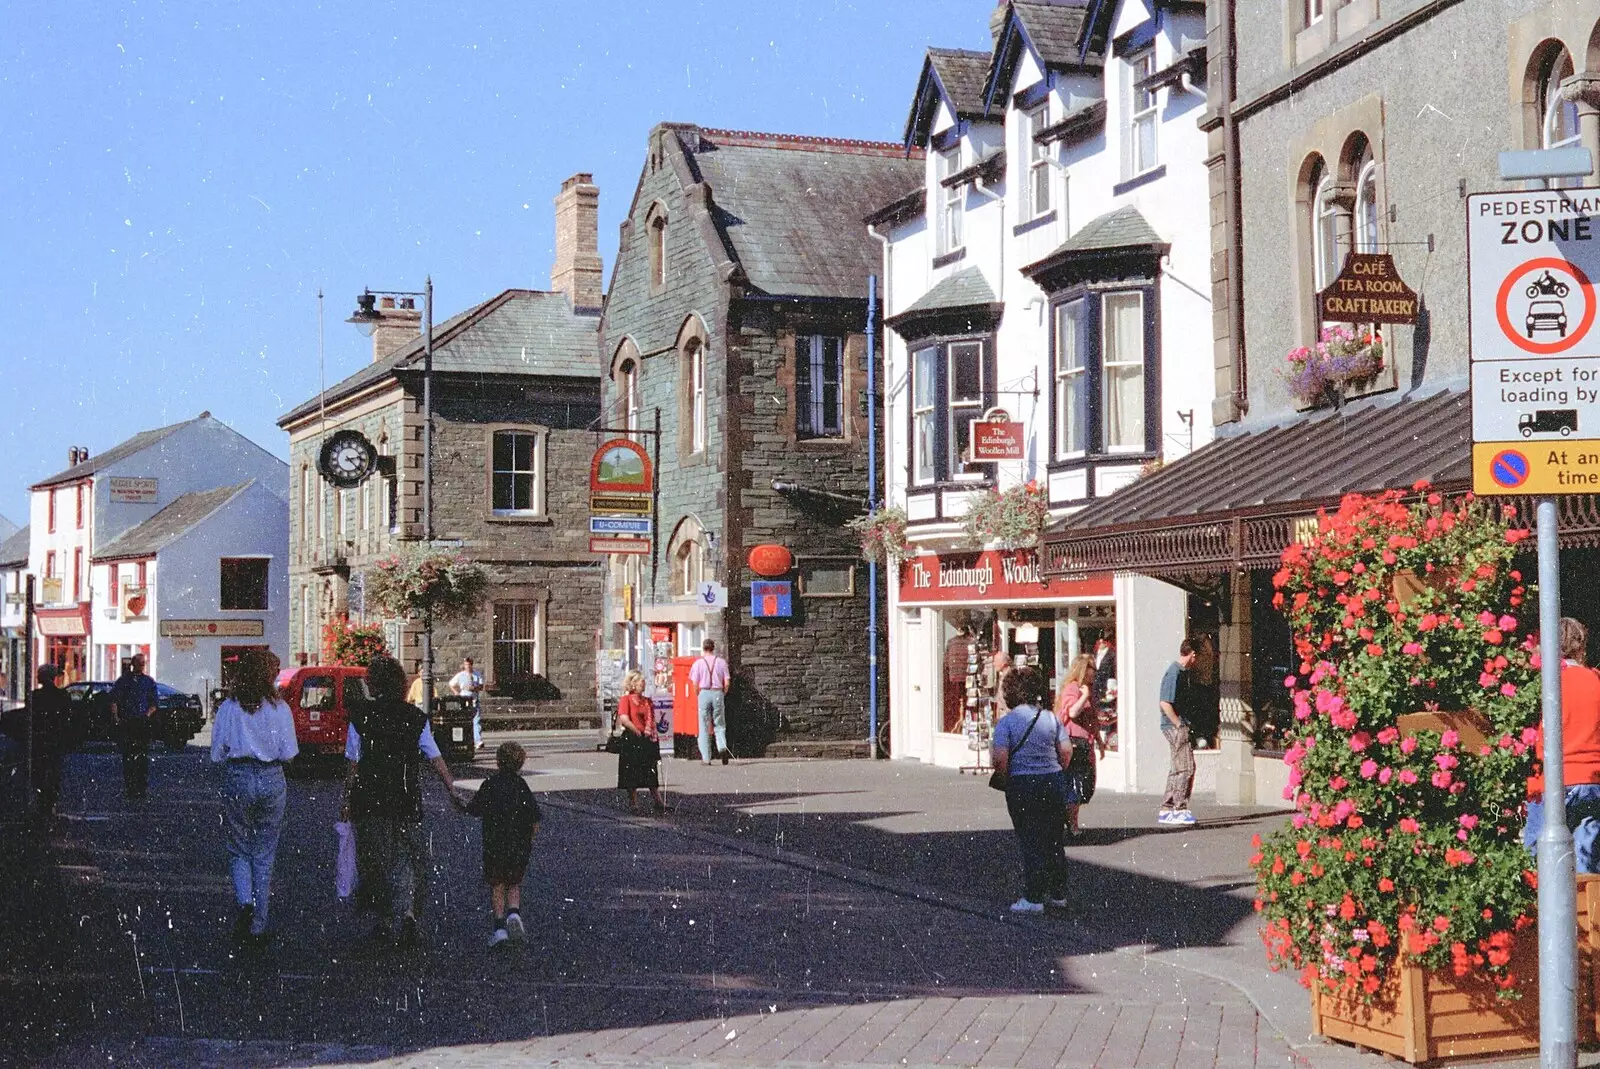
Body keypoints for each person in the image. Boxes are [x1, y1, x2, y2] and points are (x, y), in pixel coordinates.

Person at [342, 654, 465, 946]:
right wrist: (452, 790)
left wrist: (346, 800)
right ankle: (409, 915)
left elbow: (353, 764)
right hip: (406, 796)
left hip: (371, 798)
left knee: (377, 862)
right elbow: (435, 757)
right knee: (410, 859)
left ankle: (384, 920)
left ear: (373, 683)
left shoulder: (361, 717)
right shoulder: (415, 717)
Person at [210, 650, 298, 948]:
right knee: (264, 852)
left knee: (238, 847)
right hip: (272, 777)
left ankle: (244, 899)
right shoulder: (280, 709)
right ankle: (260, 923)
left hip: (238, 776)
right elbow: (289, 753)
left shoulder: (228, 708)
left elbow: (216, 753)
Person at [991, 666, 1073, 913]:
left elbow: (1000, 760)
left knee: (1031, 840)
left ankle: (1033, 897)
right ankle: (1058, 894)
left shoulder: (1006, 723)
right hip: (1053, 780)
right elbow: (1067, 751)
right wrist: (1056, 767)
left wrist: (1007, 780)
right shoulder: (1050, 718)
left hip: (1023, 784)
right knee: (1053, 839)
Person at [1525, 617, 1600, 872]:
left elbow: (1540, 742)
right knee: (1585, 861)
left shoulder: (1551, 683)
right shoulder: (1595, 679)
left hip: (1559, 781)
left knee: (1537, 858)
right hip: (1593, 781)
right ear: (1581, 645)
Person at [466, 741, 541, 947]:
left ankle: (499, 928)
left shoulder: (490, 784)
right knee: (514, 883)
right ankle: (514, 913)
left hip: (494, 843)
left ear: (498, 761)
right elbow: (535, 819)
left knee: (497, 885)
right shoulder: (521, 786)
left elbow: (474, 808)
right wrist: (529, 840)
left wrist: (460, 803)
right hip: (518, 845)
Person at [1054, 654, 1098, 839]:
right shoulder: (1073, 688)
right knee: (1074, 784)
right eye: (1092, 669)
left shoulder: (1086, 689)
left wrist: (1100, 741)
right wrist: (1085, 695)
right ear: (1083, 670)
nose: (1094, 673)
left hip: (1083, 743)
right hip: (1072, 744)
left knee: (1080, 785)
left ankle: (1069, 821)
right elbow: (1072, 711)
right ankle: (1072, 825)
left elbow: (1090, 719)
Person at [1158, 639, 1200, 826]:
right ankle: (1179, 808)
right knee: (1186, 767)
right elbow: (1165, 702)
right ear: (1192, 654)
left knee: (1177, 767)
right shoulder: (1175, 673)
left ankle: (1167, 808)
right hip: (1174, 726)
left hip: (1175, 725)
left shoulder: (1181, 673)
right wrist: (1178, 724)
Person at [616, 670, 668, 813]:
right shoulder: (625, 700)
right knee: (632, 771)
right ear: (633, 683)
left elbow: (651, 718)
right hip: (632, 738)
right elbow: (624, 719)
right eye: (641, 681)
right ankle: (633, 802)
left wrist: (649, 732)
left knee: (651, 771)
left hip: (646, 739)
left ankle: (658, 801)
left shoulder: (647, 701)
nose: (644, 683)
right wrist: (636, 730)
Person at [109, 654, 159, 799]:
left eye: (144, 663)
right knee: (128, 756)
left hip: (141, 723)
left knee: (142, 756)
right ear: (133, 664)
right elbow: (114, 700)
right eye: (140, 663)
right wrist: (116, 717)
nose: (142, 666)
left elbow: (154, 703)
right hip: (127, 722)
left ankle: (141, 787)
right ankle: (130, 787)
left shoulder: (148, 682)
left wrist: (147, 715)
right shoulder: (123, 681)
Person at [29, 664, 73, 816]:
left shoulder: (35, 696)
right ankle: (51, 802)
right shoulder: (62, 696)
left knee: (40, 770)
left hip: (39, 738)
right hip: (55, 738)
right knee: (54, 771)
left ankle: (42, 800)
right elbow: (68, 718)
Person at [688, 639, 731, 765]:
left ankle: (706, 758)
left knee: (704, 726)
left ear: (703, 648)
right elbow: (727, 682)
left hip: (704, 693)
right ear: (713, 648)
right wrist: (723, 693)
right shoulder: (722, 663)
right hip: (718, 692)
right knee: (720, 724)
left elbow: (695, 683)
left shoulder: (698, 663)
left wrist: (698, 694)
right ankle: (722, 747)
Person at [449, 657, 485, 751]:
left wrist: (475, 688)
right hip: (464, 700)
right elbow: (451, 684)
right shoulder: (460, 675)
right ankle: (466, 740)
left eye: (469, 665)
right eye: (466, 665)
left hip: (474, 699)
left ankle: (478, 741)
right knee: (465, 721)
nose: (468, 667)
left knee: (476, 720)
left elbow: (481, 686)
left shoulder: (477, 674)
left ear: (472, 665)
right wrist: (456, 693)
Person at [991, 650, 1015, 716]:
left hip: (1008, 713)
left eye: (996, 661)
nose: (994, 664)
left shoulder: (1010, 676)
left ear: (1003, 663)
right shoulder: (1004, 675)